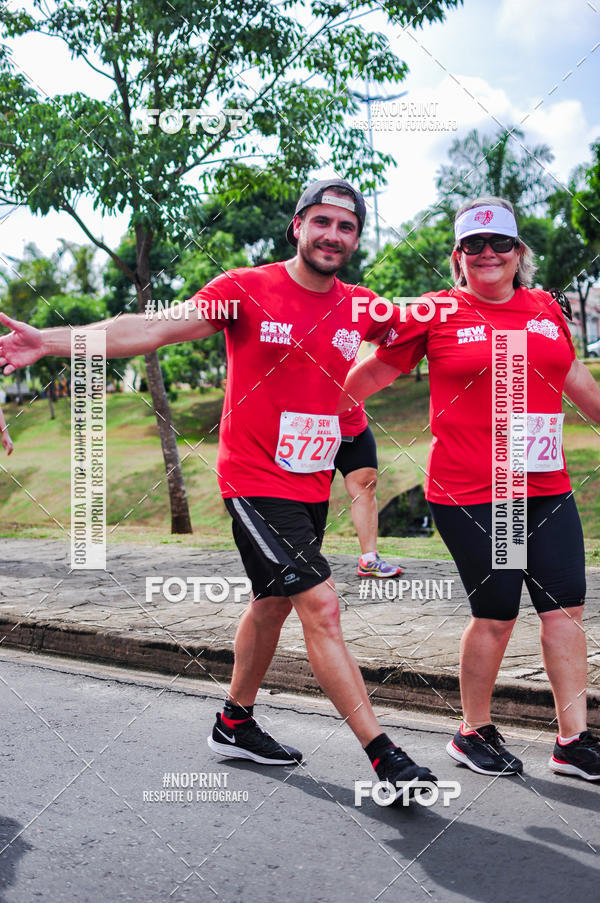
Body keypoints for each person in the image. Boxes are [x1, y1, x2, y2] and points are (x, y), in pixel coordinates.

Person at [0, 178, 436, 799]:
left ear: (357, 238)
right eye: (321, 222)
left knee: (273, 603)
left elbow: (414, 340)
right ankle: (385, 757)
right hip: (255, 481)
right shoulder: (245, 289)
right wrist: (50, 342)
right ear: (298, 226)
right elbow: (148, 330)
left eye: (346, 227)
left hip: (310, 483)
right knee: (322, 604)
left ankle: (234, 723)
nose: (332, 236)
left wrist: (354, 391)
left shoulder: (360, 305)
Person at [339, 196, 600, 781]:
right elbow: (376, 370)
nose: (488, 254)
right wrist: (313, 411)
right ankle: (472, 731)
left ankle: (573, 740)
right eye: (473, 245)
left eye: (499, 243)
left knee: (565, 612)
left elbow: (575, 378)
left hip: (545, 486)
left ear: (518, 252)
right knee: (499, 615)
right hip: (478, 492)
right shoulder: (436, 312)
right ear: (458, 258)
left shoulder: (544, 310)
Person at [335, 401, 403, 578]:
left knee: (366, 484)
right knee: (311, 493)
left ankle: (369, 559)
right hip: (312, 427)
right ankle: (304, 560)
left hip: (353, 426)